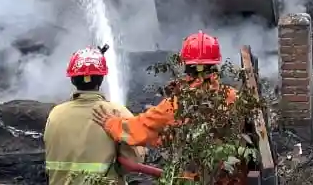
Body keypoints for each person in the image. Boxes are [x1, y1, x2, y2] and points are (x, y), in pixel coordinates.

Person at [95, 31, 240, 150]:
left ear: (187, 67)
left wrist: (111, 123)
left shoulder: (175, 106)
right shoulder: (233, 96)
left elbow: (138, 129)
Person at [43, 46, 145, 185]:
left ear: (72, 79)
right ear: (101, 78)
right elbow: (133, 162)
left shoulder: (55, 114)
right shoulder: (117, 113)